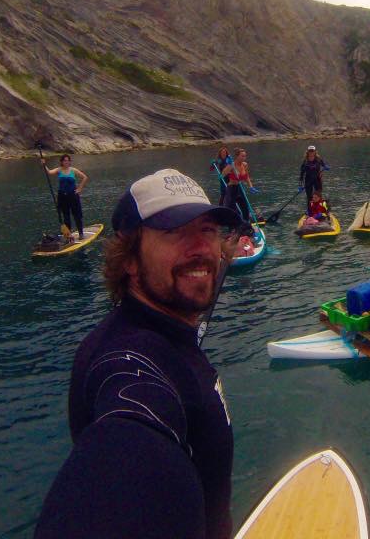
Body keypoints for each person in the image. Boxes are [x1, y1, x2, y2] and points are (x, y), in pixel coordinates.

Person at [35, 168, 242, 539]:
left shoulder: (168, 335)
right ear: (129, 258)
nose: (200, 248)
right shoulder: (126, 361)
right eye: (174, 232)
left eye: (208, 230)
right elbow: (127, 438)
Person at [41, 154, 88, 239]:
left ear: (70, 162)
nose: (66, 162)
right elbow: (49, 172)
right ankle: (69, 235)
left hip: (73, 196)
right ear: (61, 162)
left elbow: (85, 177)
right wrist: (44, 165)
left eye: (68, 160)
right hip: (62, 196)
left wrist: (80, 188)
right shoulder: (59, 170)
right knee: (66, 216)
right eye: (64, 160)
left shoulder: (73, 170)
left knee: (77, 215)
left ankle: (81, 233)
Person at [221, 148, 258, 222]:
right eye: (242, 156)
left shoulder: (245, 165)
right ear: (237, 156)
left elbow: (247, 176)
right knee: (231, 210)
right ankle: (232, 228)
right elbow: (223, 174)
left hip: (239, 188)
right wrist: (229, 165)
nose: (244, 158)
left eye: (245, 156)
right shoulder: (232, 165)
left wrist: (251, 186)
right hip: (231, 189)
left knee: (245, 209)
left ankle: (246, 225)